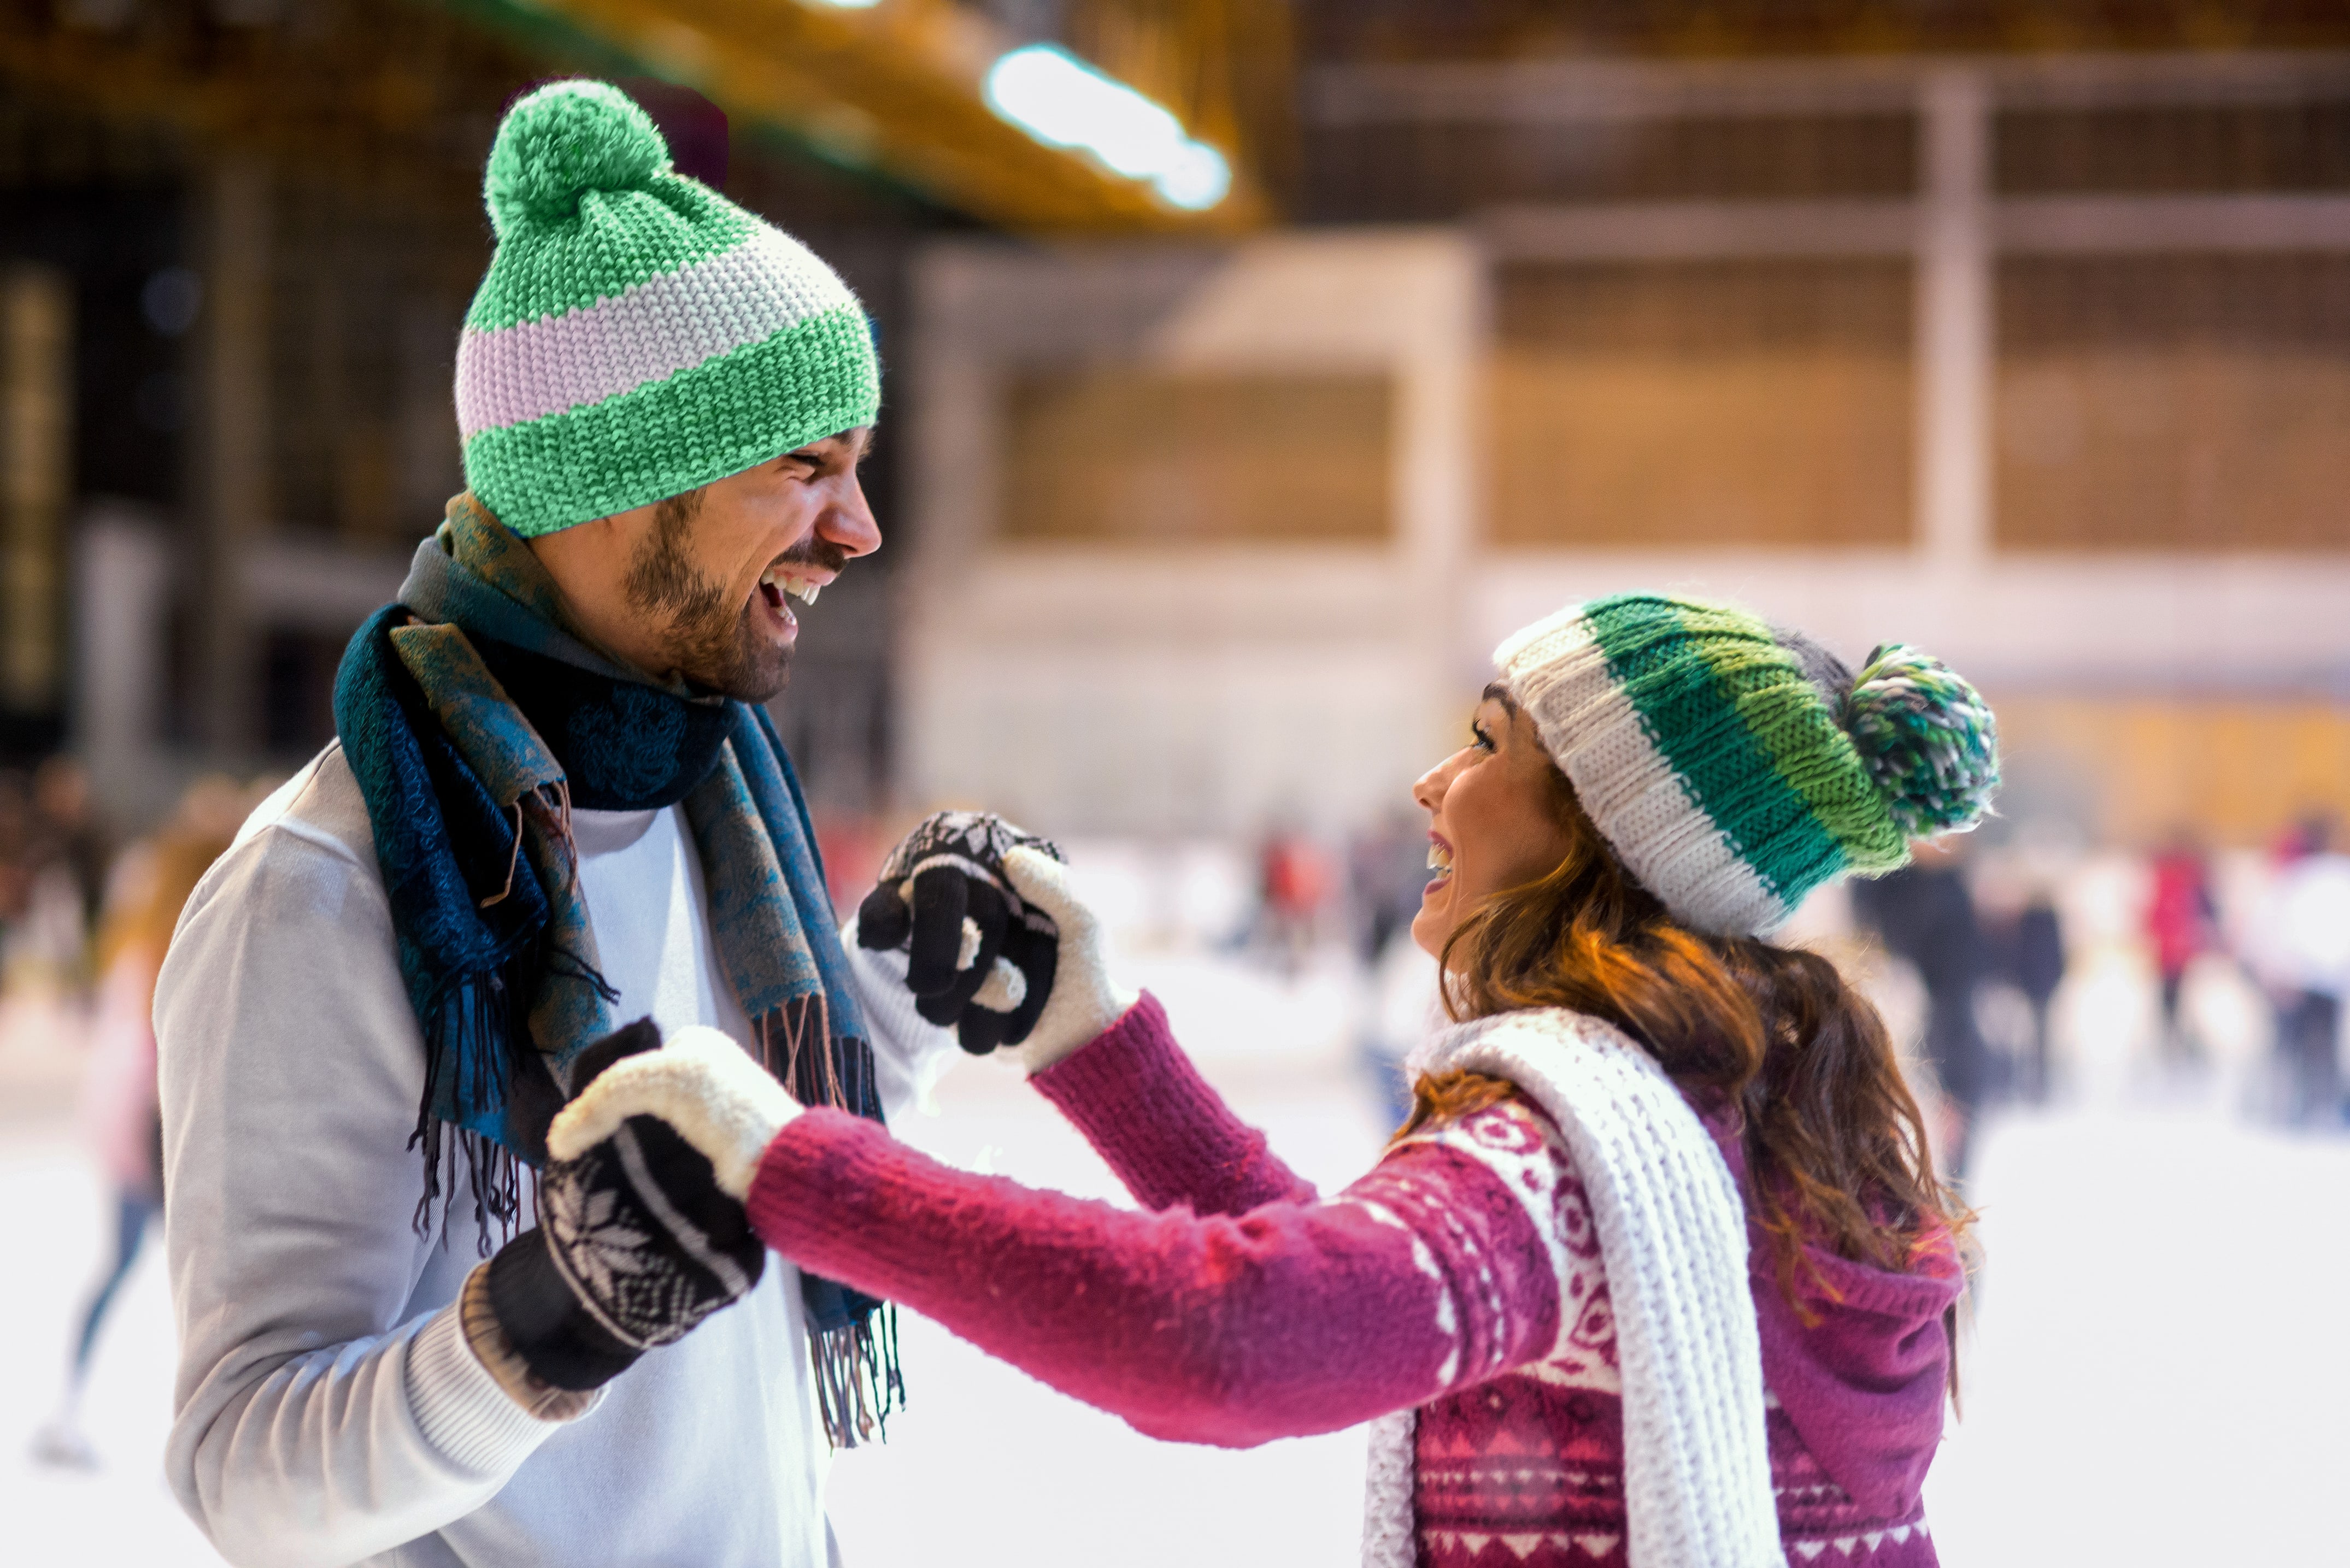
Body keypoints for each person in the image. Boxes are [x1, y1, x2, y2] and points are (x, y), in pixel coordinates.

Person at [559, 594, 1998, 1567]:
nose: (1432, 784)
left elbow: (1236, 1333)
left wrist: (791, 1160)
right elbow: (1377, 1284)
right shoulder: (1745, 1095)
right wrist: (1092, 1028)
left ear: (1602, 837)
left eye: (1489, 745)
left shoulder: (1586, 1146)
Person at [155, 81, 1018, 1568]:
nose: (859, 528)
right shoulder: (321, 891)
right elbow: (245, 1465)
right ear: (619, 487)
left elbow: (738, 1166)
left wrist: (906, 994)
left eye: (857, 464)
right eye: (805, 466)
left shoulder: (711, 782)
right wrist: (539, 1325)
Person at [33, 777, 243, 1468]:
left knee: (133, 1267)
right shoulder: (184, 932)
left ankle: (71, 1408)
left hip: (127, 1112)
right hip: (157, 1116)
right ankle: (192, 1435)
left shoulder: (141, 921)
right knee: (196, 1283)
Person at [1850, 838, 1988, 1177]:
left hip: (1945, 1029)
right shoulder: (1891, 882)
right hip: (1899, 1022)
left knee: (1950, 1157)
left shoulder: (1951, 884)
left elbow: (1961, 979)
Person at [2144, 830, 2217, 1070]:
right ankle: (2179, 1049)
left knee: (2171, 1005)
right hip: (2184, 951)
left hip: (2170, 953)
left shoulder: (2164, 876)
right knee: (2181, 1004)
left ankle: (2174, 1048)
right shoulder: (2193, 877)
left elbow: (2152, 915)